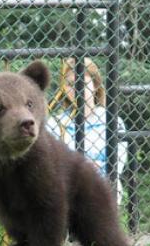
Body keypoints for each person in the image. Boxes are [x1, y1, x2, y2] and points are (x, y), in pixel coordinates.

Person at [46, 58, 128, 205]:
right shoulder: (54, 124)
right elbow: (51, 169)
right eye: (70, 84)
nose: (77, 90)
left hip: (102, 193)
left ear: (95, 85)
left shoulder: (112, 122)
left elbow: (115, 167)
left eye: (82, 83)